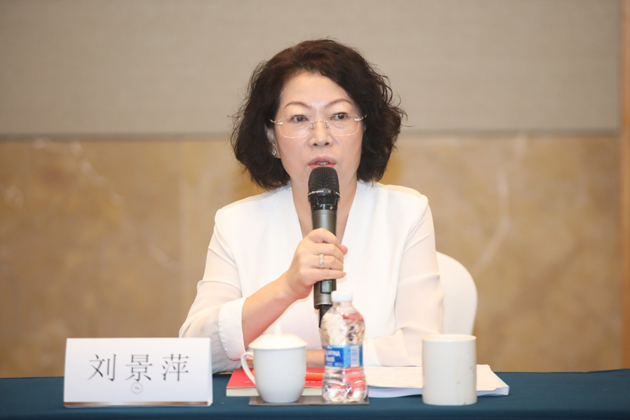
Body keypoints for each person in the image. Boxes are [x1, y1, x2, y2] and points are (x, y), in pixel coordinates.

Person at [179, 39, 443, 373]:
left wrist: (297, 361)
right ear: (272, 139)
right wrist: (286, 288)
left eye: (339, 115)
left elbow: (422, 350)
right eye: (299, 118)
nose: (320, 136)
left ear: (364, 128)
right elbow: (194, 352)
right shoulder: (236, 224)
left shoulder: (405, 213)